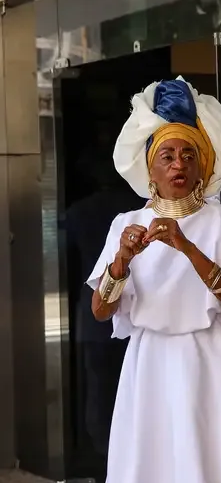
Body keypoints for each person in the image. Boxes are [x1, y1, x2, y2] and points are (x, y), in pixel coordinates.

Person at [90, 78, 221, 483]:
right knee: (147, 474)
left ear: (203, 164)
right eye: (167, 156)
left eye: (188, 156)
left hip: (214, 362)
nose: (178, 165)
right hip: (151, 367)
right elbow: (100, 308)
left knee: (211, 471)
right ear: (150, 166)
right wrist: (121, 262)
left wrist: (186, 247)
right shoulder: (125, 226)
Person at [64, 148, 142, 466]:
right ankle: (124, 455)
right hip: (124, 311)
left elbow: (65, 261)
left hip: (96, 313)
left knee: (100, 387)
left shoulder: (79, 211)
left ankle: (103, 456)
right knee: (127, 391)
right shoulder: (133, 212)